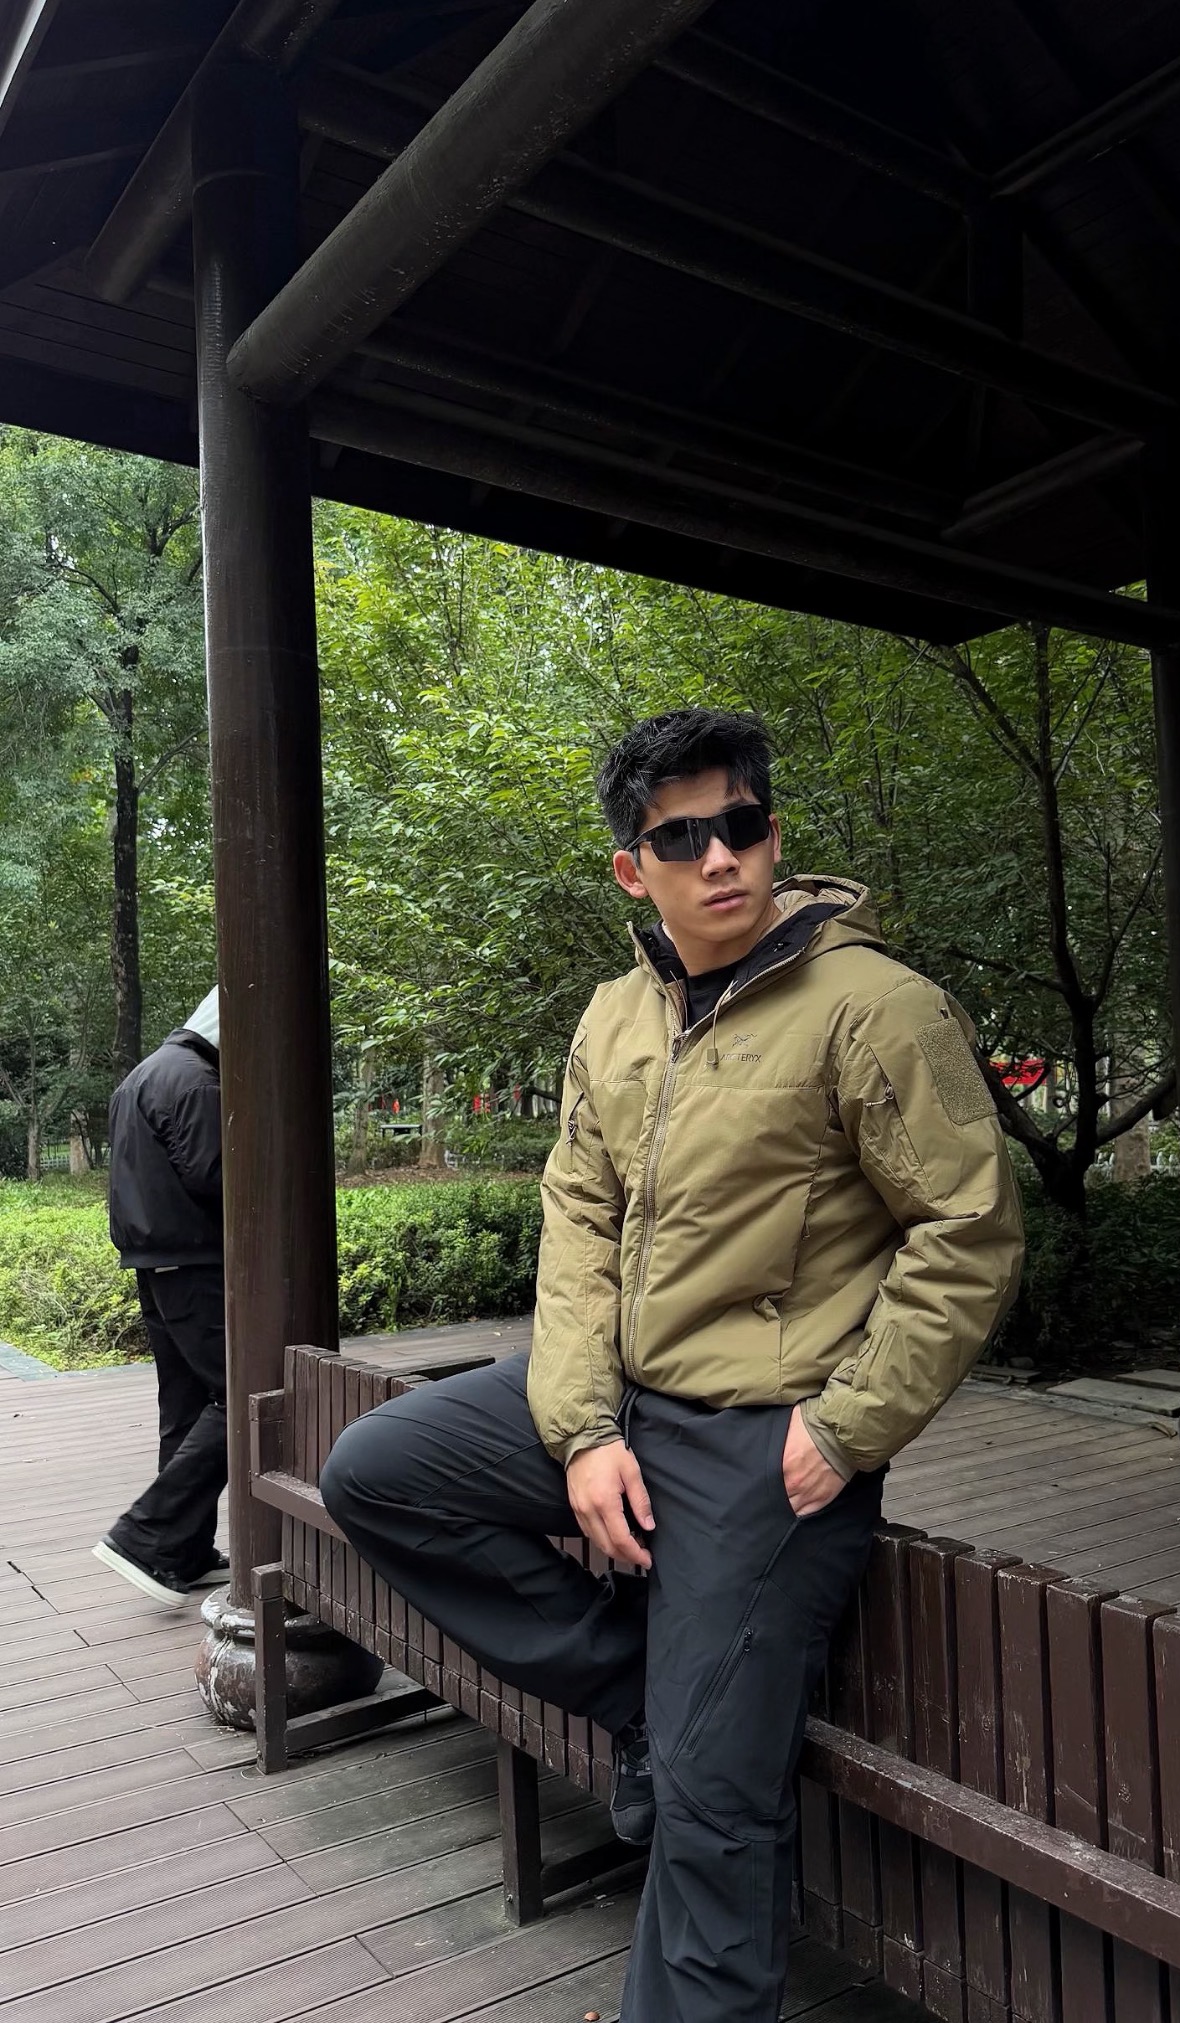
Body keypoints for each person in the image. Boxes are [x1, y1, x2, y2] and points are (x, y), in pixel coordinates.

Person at [320, 709, 1024, 2022]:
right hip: (622, 1399)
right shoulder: (617, 1014)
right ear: (630, 868)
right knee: (379, 1470)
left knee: (709, 1803)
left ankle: (681, 1746)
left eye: (740, 824)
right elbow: (580, 1223)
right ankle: (648, 1690)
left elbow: (967, 1231)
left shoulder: (875, 1007)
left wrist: (845, 1425)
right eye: (681, 836)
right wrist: (584, 1429)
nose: (719, 856)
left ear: (773, 833)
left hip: (768, 1438)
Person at [93, 986, 229, 1609]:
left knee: (185, 1407)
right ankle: (145, 1538)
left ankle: (183, 1552)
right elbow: (216, 1176)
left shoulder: (145, 1074)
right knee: (242, 1394)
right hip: (196, 1261)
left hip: (156, 1262)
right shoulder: (198, 1081)